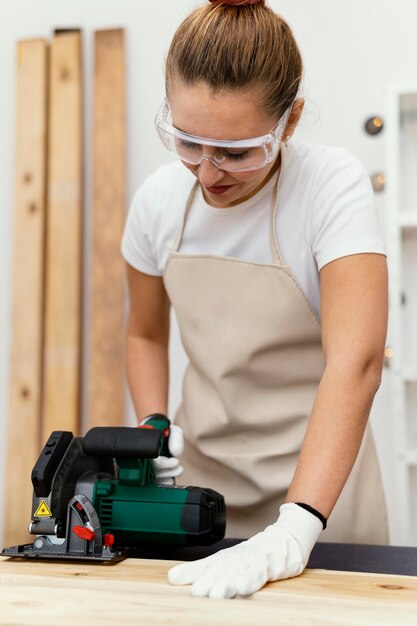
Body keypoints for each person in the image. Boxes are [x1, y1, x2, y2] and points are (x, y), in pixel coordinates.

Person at [121, 0, 389, 599]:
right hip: (202, 493)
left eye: (237, 153)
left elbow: (358, 362)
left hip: (323, 495)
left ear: (289, 122)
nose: (209, 173)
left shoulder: (327, 187)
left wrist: (296, 527)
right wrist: (153, 426)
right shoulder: (159, 202)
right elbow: (143, 332)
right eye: (188, 143)